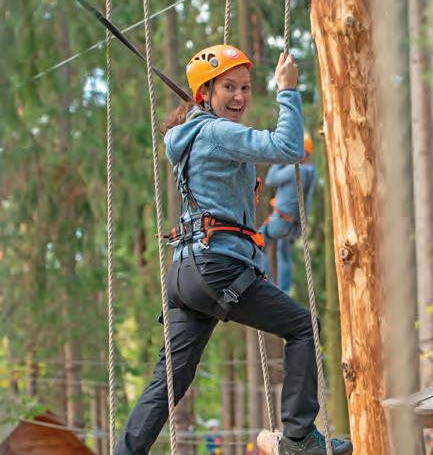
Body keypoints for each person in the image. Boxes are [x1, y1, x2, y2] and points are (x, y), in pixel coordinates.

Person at [114, 45, 351, 455]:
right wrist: (287, 90)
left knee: (168, 380)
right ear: (204, 93)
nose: (240, 96)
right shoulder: (216, 133)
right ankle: (298, 438)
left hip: (186, 273)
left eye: (245, 87)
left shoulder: (193, 135)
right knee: (303, 327)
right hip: (216, 267)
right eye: (229, 87)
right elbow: (289, 148)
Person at [259, 136, 316, 293]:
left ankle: (266, 285)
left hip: (281, 220)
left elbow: (270, 179)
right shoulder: (309, 173)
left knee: (257, 244)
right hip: (293, 223)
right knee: (283, 255)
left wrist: (281, 158)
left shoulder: (293, 170)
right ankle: (283, 290)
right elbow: (303, 200)